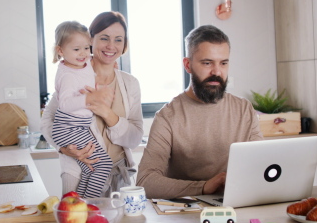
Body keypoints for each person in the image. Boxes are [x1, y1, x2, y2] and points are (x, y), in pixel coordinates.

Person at [136, 25, 263, 199]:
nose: (217, 72)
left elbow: (261, 165)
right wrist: (203, 187)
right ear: (188, 65)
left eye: (223, 63)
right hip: (185, 213)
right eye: (207, 63)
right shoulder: (168, 117)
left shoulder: (244, 110)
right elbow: (145, 182)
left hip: (237, 207)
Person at [41, 11, 144, 197]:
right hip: (79, 174)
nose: (111, 46)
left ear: (124, 44)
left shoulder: (130, 84)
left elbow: (135, 138)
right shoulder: (75, 74)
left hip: (119, 181)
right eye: (104, 38)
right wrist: (63, 148)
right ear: (91, 39)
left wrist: (107, 113)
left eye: (119, 40)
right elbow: (48, 120)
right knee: (77, 222)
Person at [50, 21, 112, 198]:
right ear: (60, 51)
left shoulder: (82, 65)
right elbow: (65, 104)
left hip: (76, 126)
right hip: (69, 128)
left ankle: (80, 202)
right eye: (76, 49)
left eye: (87, 47)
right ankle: (89, 204)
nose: (83, 54)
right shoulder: (67, 75)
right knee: (104, 164)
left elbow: (89, 73)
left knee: (91, 167)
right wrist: (89, 98)